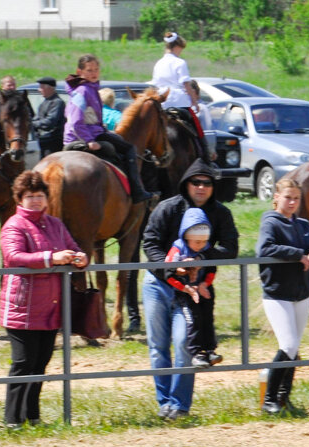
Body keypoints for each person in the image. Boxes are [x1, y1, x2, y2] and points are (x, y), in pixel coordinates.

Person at [142, 160, 239, 420]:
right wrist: (173, 268)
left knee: (184, 343)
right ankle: (164, 403)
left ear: (213, 187)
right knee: (157, 346)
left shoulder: (221, 213)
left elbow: (231, 248)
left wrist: (200, 258)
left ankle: (180, 405)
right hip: (158, 284)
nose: (201, 187)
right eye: (195, 182)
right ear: (186, 184)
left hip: (192, 289)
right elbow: (149, 243)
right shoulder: (167, 208)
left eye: (207, 183)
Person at [0, 171, 88, 428]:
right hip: (22, 307)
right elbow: (13, 256)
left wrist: (80, 259)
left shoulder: (56, 224)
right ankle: (12, 419)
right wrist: (51, 258)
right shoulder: (13, 225)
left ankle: (33, 416)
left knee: (41, 363)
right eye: (30, 197)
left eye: (40, 196)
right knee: (23, 363)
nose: (36, 201)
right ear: (20, 199)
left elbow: (74, 246)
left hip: (52, 306)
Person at [256, 177, 309, 415]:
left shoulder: (302, 225)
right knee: (287, 345)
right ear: (276, 197)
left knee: (294, 347)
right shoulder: (270, 222)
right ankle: (269, 399)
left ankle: (282, 397)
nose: (292, 202)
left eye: (296, 199)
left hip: (301, 294)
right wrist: (298, 254)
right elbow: (265, 248)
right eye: (287, 197)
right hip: (278, 294)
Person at [63, 54, 153, 204]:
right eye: (89, 70)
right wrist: (89, 141)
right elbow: (76, 120)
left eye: (96, 69)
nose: (94, 73)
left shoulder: (91, 88)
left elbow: (91, 118)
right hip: (82, 137)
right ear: (80, 72)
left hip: (93, 132)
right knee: (129, 148)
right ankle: (137, 191)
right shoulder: (83, 91)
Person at [165, 208, 221, 370]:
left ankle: (210, 350)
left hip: (203, 289)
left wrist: (205, 284)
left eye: (204, 242)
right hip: (186, 293)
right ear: (186, 237)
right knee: (193, 322)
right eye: (197, 242)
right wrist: (185, 287)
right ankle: (196, 353)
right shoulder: (177, 250)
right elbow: (168, 274)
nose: (201, 245)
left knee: (207, 319)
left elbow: (212, 269)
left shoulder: (206, 249)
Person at [152, 31, 210, 160]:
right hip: (179, 102)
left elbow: (155, 85)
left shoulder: (158, 64)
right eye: (181, 50)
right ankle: (206, 157)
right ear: (177, 47)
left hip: (163, 103)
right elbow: (186, 84)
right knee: (197, 128)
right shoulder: (180, 63)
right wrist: (194, 102)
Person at [34, 76, 66, 157]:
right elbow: (37, 118)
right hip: (43, 141)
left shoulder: (57, 103)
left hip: (53, 143)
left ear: (50, 88)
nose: (39, 90)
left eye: (41, 87)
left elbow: (49, 122)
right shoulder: (44, 103)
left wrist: (31, 124)